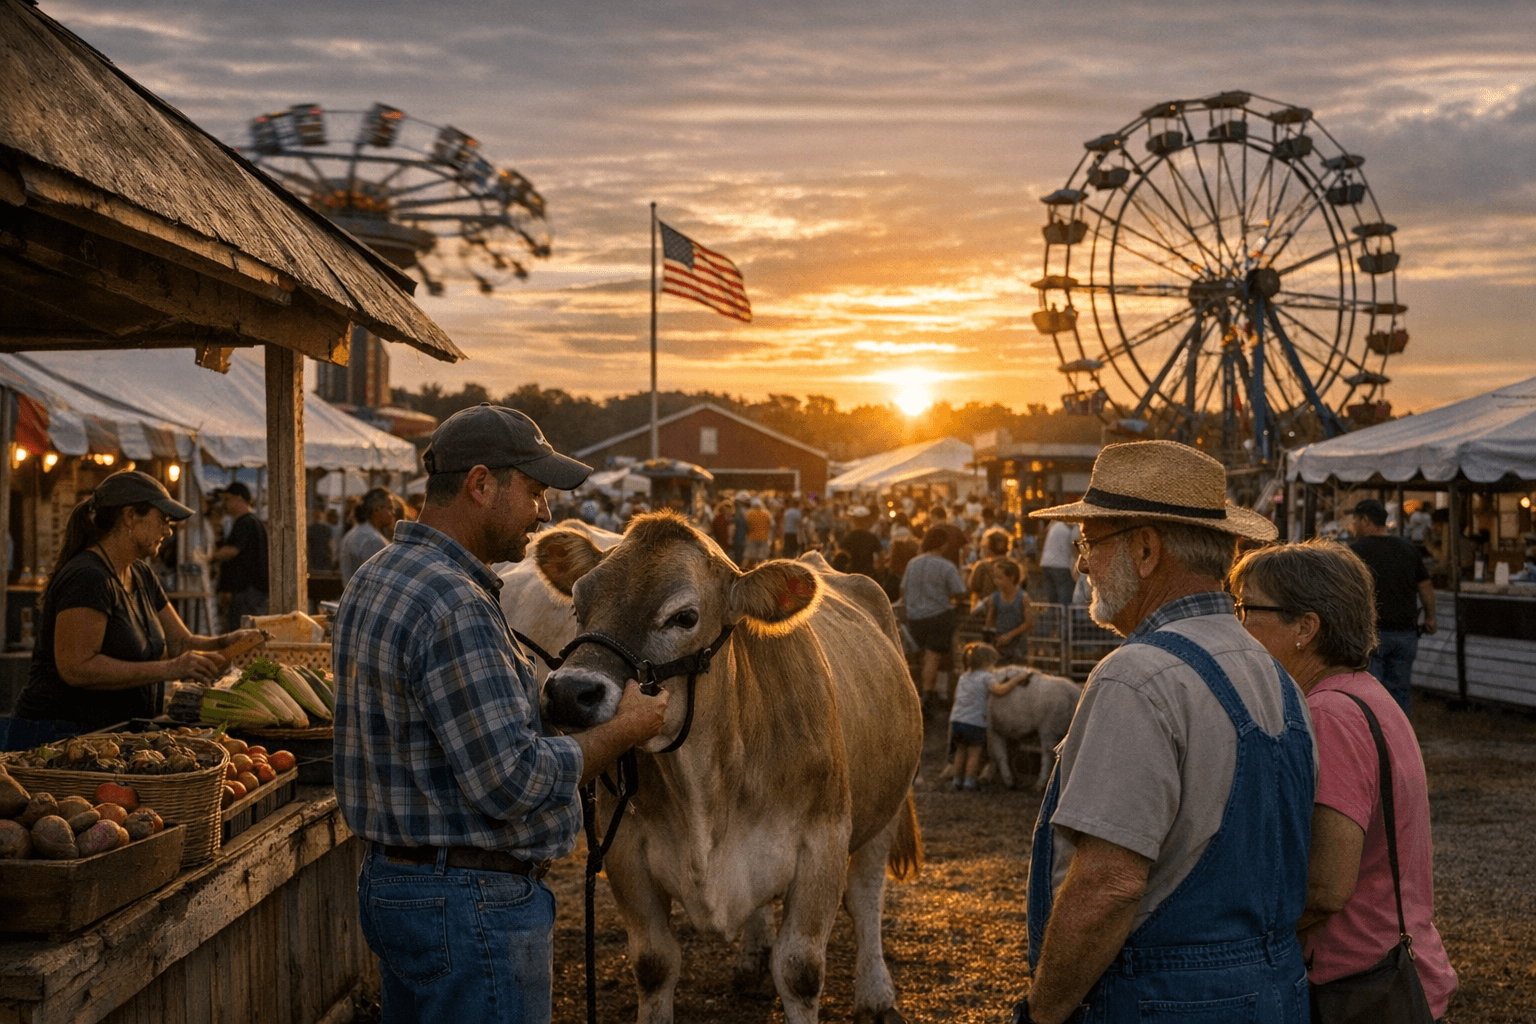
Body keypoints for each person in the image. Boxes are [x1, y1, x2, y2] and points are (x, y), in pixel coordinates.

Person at [333, 404, 670, 1024]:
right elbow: (512, 780)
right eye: (536, 491)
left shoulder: (376, 575)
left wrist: (538, 702)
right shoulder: (456, 602)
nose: (545, 512)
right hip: (470, 904)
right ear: (481, 484)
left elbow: (430, 722)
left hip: (398, 885)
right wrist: (627, 729)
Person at [1014, 440, 1311, 1024]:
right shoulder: (1276, 676)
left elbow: (1109, 885)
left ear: (1146, 549)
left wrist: (1043, 1011)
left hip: (1162, 1000)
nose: (1080, 565)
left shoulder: (1136, 678)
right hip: (1276, 991)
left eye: (1089, 543)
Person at [1230, 540, 1457, 1020]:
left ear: (1305, 628)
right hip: (1392, 968)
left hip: (1359, 983)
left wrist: (1237, 935)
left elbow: (1328, 886)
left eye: (1247, 608)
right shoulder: (1365, 694)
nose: (1238, 622)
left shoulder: (1329, 715)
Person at [2, 472, 261, 749]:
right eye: (163, 519)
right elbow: (77, 668)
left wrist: (226, 642)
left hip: (110, 735)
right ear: (129, 516)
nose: (168, 530)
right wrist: (170, 669)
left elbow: (180, 642)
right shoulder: (88, 578)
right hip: (57, 737)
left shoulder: (141, 574)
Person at [1346, 498, 1435, 716]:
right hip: (1405, 633)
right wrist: (1431, 617)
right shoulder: (1407, 548)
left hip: (1371, 635)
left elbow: (1344, 592)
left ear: (1366, 521)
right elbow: (1425, 586)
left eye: (1356, 520)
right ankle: (1400, 743)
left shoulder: (1354, 552)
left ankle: (1377, 745)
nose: (1353, 525)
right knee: (1400, 695)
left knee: (1372, 697)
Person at [901, 527, 967, 717]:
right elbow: (960, 592)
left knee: (920, 657)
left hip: (914, 617)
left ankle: (918, 693)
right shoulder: (946, 566)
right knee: (933, 656)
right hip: (939, 616)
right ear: (943, 544)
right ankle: (929, 695)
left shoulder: (912, 564)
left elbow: (903, 590)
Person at [207, 481, 267, 631]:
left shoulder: (245, 522)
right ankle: (259, 656)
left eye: (228, 499)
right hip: (252, 590)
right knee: (253, 633)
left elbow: (232, 550)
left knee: (244, 633)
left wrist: (208, 556)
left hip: (247, 591)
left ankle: (257, 656)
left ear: (239, 498)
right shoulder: (254, 522)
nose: (225, 503)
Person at [948, 641, 1003, 791]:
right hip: (975, 722)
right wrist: (1015, 680)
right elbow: (998, 690)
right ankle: (969, 782)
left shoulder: (964, 676)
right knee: (974, 753)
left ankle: (956, 781)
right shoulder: (986, 677)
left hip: (957, 720)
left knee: (960, 751)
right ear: (987, 662)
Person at [339, 487, 399, 587]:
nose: (393, 512)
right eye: (390, 508)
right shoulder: (372, 540)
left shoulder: (355, 533)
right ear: (376, 509)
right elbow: (377, 583)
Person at [982, 558, 1031, 663]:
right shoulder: (994, 597)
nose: (996, 581)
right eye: (995, 578)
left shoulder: (1023, 597)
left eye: (1000, 578)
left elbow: (1028, 623)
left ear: (1012, 578)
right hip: (1000, 643)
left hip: (1018, 644)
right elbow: (989, 622)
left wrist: (1010, 635)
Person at [1038, 519, 1079, 607]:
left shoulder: (1055, 525)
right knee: (1064, 600)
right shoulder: (1075, 527)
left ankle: (1053, 619)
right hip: (1062, 565)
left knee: (1052, 600)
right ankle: (1065, 619)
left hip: (1046, 563)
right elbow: (1075, 548)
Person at [840, 505, 884, 579]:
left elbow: (842, 557)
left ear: (854, 521)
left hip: (852, 575)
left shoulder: (849, 537)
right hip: (869, 576)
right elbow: (881, 557)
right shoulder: (872, 537)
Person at [742, 497, 774, 568]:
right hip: (764, 538)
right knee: (762, 558)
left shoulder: (749, 514)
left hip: (752, 537)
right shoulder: (767, 514)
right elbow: (772, 525)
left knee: (751, 557)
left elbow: (746, 526)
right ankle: (761, 570)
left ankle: (750, 569)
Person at [306, 505, 335, 572]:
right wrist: (333, 558)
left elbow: (307, 546)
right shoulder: (327, 529)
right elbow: (331, 545)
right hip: (324, 557)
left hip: (313, 557)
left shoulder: (311, 529)